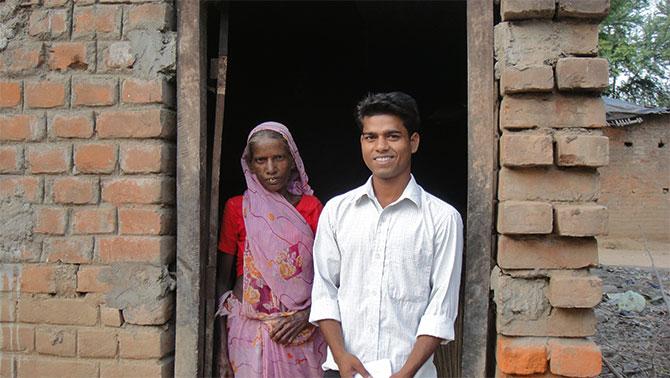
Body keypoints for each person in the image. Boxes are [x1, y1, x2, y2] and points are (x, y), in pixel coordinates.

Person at [309, 92, 463, 378]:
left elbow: (441, 308)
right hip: (344, 371)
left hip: (410, 373)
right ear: (362, 143)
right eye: (371, 137)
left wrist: (405, 372)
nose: (381, 146)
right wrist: (341, 357)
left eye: (393, 136)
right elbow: (325, 291)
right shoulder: (337, 211)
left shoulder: (442, 218)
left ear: (413, 142)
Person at [216, 122, 326, 377]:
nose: (271, 169)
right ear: (250, 165)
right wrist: (221, 352)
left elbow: (330, 277)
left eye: (278, 158)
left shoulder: (311, 208)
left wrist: (306, 316)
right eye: (261, 160)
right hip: (248, 334)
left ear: (292, 159)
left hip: (301, 332)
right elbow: (222, 282)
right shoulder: (237, 209)